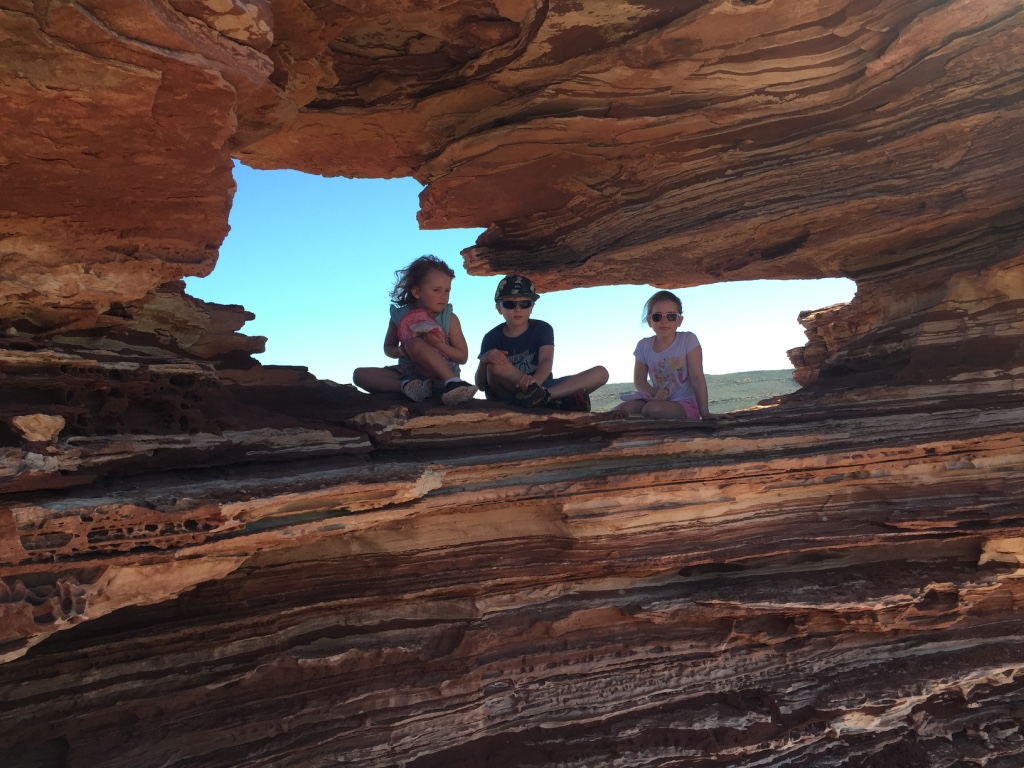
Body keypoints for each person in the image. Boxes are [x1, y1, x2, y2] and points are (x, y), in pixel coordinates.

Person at [352, 255, 478, 406]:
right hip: (410, 374)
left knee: (413, 344)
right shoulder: (400, 317)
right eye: (436, 290)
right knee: (359, 374)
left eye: (447, 290)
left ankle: (454, 384)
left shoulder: (449, 318)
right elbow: (388, 347)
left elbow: (462, 357)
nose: (443, 296)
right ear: (417, 292)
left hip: (439, 376)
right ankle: (408, 388)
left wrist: (438, 344)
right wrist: (400, 351)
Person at [475, 274, 608, 411]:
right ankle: (549, 399)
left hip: (542, 386)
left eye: (525, 303)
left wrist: (536, 382)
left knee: (601, 373)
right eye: (510, 304)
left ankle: (542, 398)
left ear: (532, 306)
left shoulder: (542, 328)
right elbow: (480, 385)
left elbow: (546, 361)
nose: (518, 309)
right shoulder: (491, 337)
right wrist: (484, 360)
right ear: (499, 308)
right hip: (506, 395)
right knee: (495, 367)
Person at [613, 290, 716, 420]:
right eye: (657, 316)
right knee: (622, 409)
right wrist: (655, 393)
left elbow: (697, 377)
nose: (664, 321)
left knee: (652, 409)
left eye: (671, 316)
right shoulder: (643, 345)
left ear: (679, 320)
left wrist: (704, 412)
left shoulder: (688, 340)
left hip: (685, 404)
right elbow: (639, 380)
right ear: (649, 320)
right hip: (655, 399)